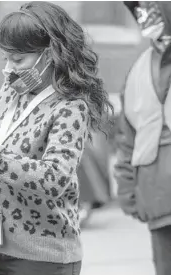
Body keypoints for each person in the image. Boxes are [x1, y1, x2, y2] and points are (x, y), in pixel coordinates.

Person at [0, 2, 113, 274]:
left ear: (50, 54)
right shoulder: (13, 90)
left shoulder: (71, 107)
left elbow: (55, 179)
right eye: (6, 58)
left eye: (18, 59)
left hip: (44, 257)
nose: (9, 68)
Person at [114, 2, 171, 275]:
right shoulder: (138, 70)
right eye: (140, 9)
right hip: (156, 199)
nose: (144, 15)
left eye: (152, 6)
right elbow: (127, 137)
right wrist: (126, 188)